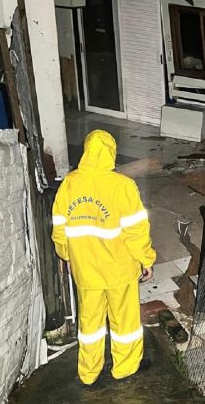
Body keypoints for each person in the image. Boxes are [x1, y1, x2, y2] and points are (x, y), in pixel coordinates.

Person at [51, 130, 156, 385]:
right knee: (125, 323)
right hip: (119, 270)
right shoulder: (123, 185)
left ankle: (88, 373)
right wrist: (146, 259)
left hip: (86, 271)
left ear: (86, 151)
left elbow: (59, 229)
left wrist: (66, 256)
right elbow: (136, 231)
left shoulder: (70, 184)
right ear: (111, 153)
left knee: (90, 325)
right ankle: (125, 368)